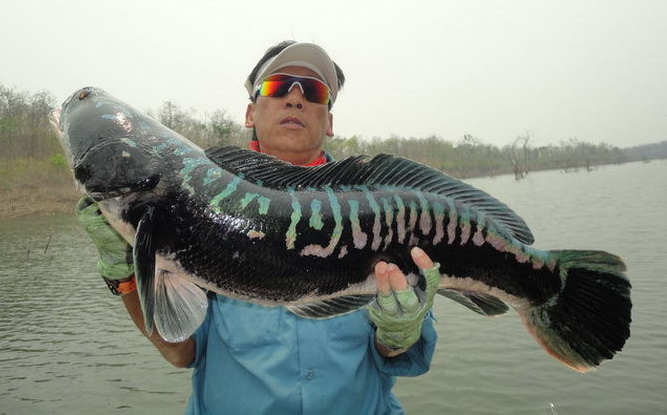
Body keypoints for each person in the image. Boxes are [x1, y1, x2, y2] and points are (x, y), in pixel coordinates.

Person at [78, 41, 439, 414]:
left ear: (329, 121)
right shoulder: (198, 210)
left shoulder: (380, 214)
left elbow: (397, 356)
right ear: (251, 112)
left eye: (313, 91)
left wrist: (398, 332)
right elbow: (181, 350)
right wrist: (127, 274)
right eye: (278, 86)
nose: (295, 99)